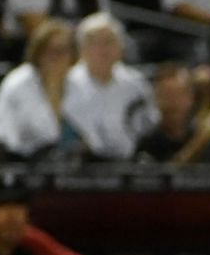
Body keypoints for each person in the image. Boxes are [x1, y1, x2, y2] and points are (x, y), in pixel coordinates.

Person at [62, 12, 157, 161]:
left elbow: (149, 122)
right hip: (79, 165)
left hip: (128, 163)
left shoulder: (136, 83)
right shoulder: (66, 83)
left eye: (109, 41)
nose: (103, 49)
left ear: (121, 47)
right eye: (95, 42)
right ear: (81, 49)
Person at [0, 18, 80, 160]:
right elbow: (48, 135)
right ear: (38, 52)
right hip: (18, 160)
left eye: (62, 51)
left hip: (59, 163)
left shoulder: (75, 81)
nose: (56, 57)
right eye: (50, 50)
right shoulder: (19, 82)